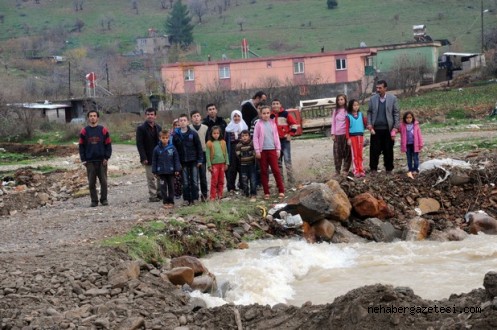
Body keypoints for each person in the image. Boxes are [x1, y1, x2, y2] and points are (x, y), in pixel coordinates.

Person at [78, 110, 112, 207]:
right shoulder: (84, 131)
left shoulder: (103, 130)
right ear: (88, 118)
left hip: (102, 161)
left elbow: (108, 145)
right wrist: (83, 159)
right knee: (91, 183)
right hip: (89, 161)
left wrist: (107, 157)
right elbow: (81, 146)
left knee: (104, 182)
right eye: (91, 116)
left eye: (94, 116)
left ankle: (104, 199)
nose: (92, 117)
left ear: (97, 118)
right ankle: (94, 201)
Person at [367, 80, 400, 174]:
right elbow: (369, 112)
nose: (378, 90)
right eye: (377, 88)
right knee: (374, 150)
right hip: (376, 129)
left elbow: (396, 113)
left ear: (385, 88)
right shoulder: (373, 99)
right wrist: (369, 124)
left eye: (380, 88)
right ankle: (373, 169)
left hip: (388, 129)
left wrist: (395, 127)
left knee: (388, 150)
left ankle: (389, 169)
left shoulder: (392, 98)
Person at [253, 105, 285, 200]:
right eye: (264, 113)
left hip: (272, 149)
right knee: (264, 171)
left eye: (267, 113)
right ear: (260, 114)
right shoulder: (258, 124)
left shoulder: (273, 123)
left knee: (276, 170)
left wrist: (278, 149)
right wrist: (257, 150)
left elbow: (276, 137)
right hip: (262, 151)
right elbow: (255, 138)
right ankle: (266, 192)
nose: (266, 115)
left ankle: (281, 190)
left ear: (270, 113)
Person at [171, 114, 203, 206]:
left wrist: (200, 160)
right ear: (178, 123)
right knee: (185, 182)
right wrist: (176, 163)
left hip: (193, 161)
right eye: (180, 120)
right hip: (182, 161)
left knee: (194, 180)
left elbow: (199, 147)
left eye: (184, 120)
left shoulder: (193, 133)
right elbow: (174, 150)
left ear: (188, 122)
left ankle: (195, 198)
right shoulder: (175, 135)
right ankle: (186, 199)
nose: (182, 122)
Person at [136, 107, 162, 202]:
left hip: (159, 156)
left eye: (152, 114)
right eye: (148, 114)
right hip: (148, 156)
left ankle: (160, 193)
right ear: (145, 116)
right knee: (151, 177)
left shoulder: (158, 128)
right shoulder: (141, 128)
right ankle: (153, 195)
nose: (150, 116)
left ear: (155, 116)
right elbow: (140, 144)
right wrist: (143, 157)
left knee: (160, 176)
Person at [271, 98, 298, 185]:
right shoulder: (270, 115)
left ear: (280, 105)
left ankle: (291, 180)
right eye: (273, 104)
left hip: (284, 140)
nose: (275, 105)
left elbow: (294, 124)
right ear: (272, 106)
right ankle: (280, 181)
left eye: (277, 103)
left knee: (287, 160)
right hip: (275, 141)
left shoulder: (285, 114)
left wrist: (290, 134)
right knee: (277, 162)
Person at [151, 130, 181, 209]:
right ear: (160, 138)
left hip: (171, 171)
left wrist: (177, 169)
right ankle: (165, 201)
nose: (165, 139)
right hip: (161, 172)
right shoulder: (156, 149)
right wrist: (154, 171)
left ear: (169, 138)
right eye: (163, 138)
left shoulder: (172, 148)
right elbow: (154, 160)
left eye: (166, 138)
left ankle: (171, 201)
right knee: (163, 187)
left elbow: (176, 159)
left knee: (171, 186)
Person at [225, 110, 248, 194]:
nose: (237, 118)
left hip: (243, 149)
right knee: (232, 169)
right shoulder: (228, 128)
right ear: (232, 117)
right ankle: (231, 187)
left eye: (238, 116)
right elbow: (226, 141)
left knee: (242, 168)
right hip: (232, 150)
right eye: (235, 116)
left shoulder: (244, 127)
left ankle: (242, 185)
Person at [397, 111, 424, 179]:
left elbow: (419, 135)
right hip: (407, 145)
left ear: (412, 118)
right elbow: (396, 130)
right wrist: (393, 133)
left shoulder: (416, 125)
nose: (408, 119)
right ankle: (410, 169)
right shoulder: (402, 126)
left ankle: (415, 169)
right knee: (409, 158)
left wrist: (420, 143)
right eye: (407, 118)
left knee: (415, 157)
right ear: (404, 118)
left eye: (410, 117)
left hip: (415, 144)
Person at [206, 126, 229, 200]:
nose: (216, 135)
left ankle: (220, 195)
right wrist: (209, 165)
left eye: (217, 133)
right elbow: (207, 155)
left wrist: (227, 163)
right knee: (214, 181)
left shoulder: (223, 142)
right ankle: (212, 196)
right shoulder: (209, 143)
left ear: (220, 134)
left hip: (222, 164)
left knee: (221, 180)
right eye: (214, 133)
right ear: (211, 134)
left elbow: (226, 153)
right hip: (214, 165)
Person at [190, 110, 209, 201]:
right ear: (191, 118)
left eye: (198, 115)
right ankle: (195, 194)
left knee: (203, 175)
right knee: (194, 176)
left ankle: (204, 194)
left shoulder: (205, 128)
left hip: (203, 153)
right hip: (193, 154)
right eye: (194, 116)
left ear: (200, 117)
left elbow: (208, 141)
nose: (196, 118)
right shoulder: (189, 128)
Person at [345, 99, 367, 178]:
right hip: (353, 137)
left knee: (360, 154)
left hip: (360, 136)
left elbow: (365, 123)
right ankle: (356, 170)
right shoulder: (348, 116)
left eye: (357, 105)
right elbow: (347, 128)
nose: (356, 107)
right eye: (354, 105)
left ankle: (361, 170)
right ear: (351, 106)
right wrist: (348, 138)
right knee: (354, 155)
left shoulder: (361, 114)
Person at [331, 93, 351, 176]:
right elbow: (333, 122)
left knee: (347, 152)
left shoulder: (348, 111)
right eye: (338, 100)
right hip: (337, 134)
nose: (340, 101)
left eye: (342, 99)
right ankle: (337, 171)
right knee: (337, 153)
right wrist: (333, 133)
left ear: (345, 100)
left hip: (346, 134)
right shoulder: (335, 111)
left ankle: (345, 170)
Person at [236, 130, 257, 201]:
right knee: (244, 180)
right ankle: (246, 193)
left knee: (253, 180)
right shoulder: (239, 145)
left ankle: (253, 193)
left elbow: (255, 153)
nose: (244, 137)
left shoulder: (252, 143)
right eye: (243, 136)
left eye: (246, 135)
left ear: (249, 136)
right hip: (243, 165)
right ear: (240, 137)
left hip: (251, 165)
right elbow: (238, 155)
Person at [171, 119, 183, 199]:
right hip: (174, 157)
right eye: (176, 125)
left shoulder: (184, 133)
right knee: (176, 176)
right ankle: (177, 192)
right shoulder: (171, 135)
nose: (177, 127)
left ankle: (183, 190)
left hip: (183, 157)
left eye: (179, 125)